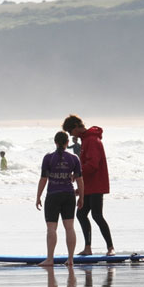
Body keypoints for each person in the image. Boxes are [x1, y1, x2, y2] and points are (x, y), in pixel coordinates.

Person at [62, 114, 115, 256]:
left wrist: (77, 173)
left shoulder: (91, 140)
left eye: (70, 131)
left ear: (75, 127)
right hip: (90, 185)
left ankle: (110, 248)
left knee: (97, 215)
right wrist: (81, 188)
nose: (70, 134)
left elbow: (93, 165)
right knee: (81, 214)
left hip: (97, 184)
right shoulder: (85, 139)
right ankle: (88, 248)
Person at [36, 131, 84, 267]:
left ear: (55, 142)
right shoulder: (74, 158)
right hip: (69, 195)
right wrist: (82, 197)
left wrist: (38, 196)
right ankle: (70, 259)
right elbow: (80, 180)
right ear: (67, 143)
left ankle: (50, 259)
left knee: (51, 229)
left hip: (53, 195)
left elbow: (43, 179)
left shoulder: (48, 158)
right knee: (70, 228)